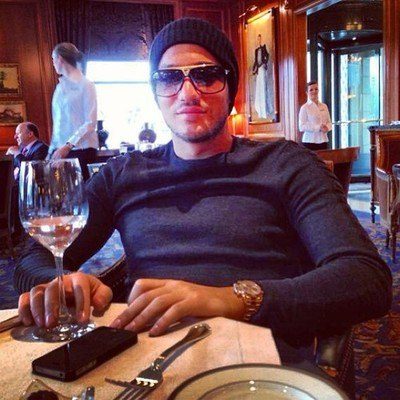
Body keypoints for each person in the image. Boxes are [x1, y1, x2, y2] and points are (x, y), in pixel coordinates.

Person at [15, 18, 391, 367]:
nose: (187, 93)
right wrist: (61, 282)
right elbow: (34, 258)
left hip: (259, 369)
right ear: (156, 92)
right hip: (147, 364)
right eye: (168, 78)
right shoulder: (122, 174)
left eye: (206, 76)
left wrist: (230, 298)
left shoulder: (287, 165)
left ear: (231, 89)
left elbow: (366, 279)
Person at [50, 42, 98, 180]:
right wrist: (52, 151)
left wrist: (68, 146)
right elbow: (58, 125)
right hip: (62, 151)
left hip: (83, 149)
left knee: (81, 191)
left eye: (53, 59)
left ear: (60, 59)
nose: (53, 63)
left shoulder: (86, 85)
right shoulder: (60, 88)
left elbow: (90, 123)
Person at [299, 81, 332, 150]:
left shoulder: (324, 106)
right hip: (309, 142)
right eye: (311, 90)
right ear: (307, 92)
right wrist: (318, 127)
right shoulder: (304, 107)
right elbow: (301, 126)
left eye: (316, 89)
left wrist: (327, 128)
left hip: (323, 140)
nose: (314, 91)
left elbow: (329, 122)